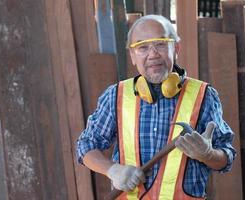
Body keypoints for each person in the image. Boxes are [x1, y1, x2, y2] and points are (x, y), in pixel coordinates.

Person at [76, 14, 236, 200]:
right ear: (132, 56)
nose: (152, 54)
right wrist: (113, 170)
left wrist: (208, 155)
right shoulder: (115, 96)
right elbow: (86, 145)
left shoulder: (204, 96)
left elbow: (226, 159)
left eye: (160, 44)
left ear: (176, 48)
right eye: (142, 47)